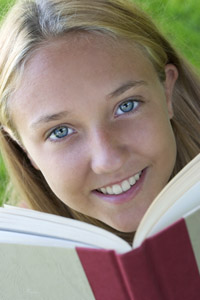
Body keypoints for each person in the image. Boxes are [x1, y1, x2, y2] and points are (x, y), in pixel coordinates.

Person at [0, 0, 199, 243]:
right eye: (60, 131)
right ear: (23, 147)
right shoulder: (15, 260)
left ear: (166, 90)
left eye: (126, 106)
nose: (109, 161)